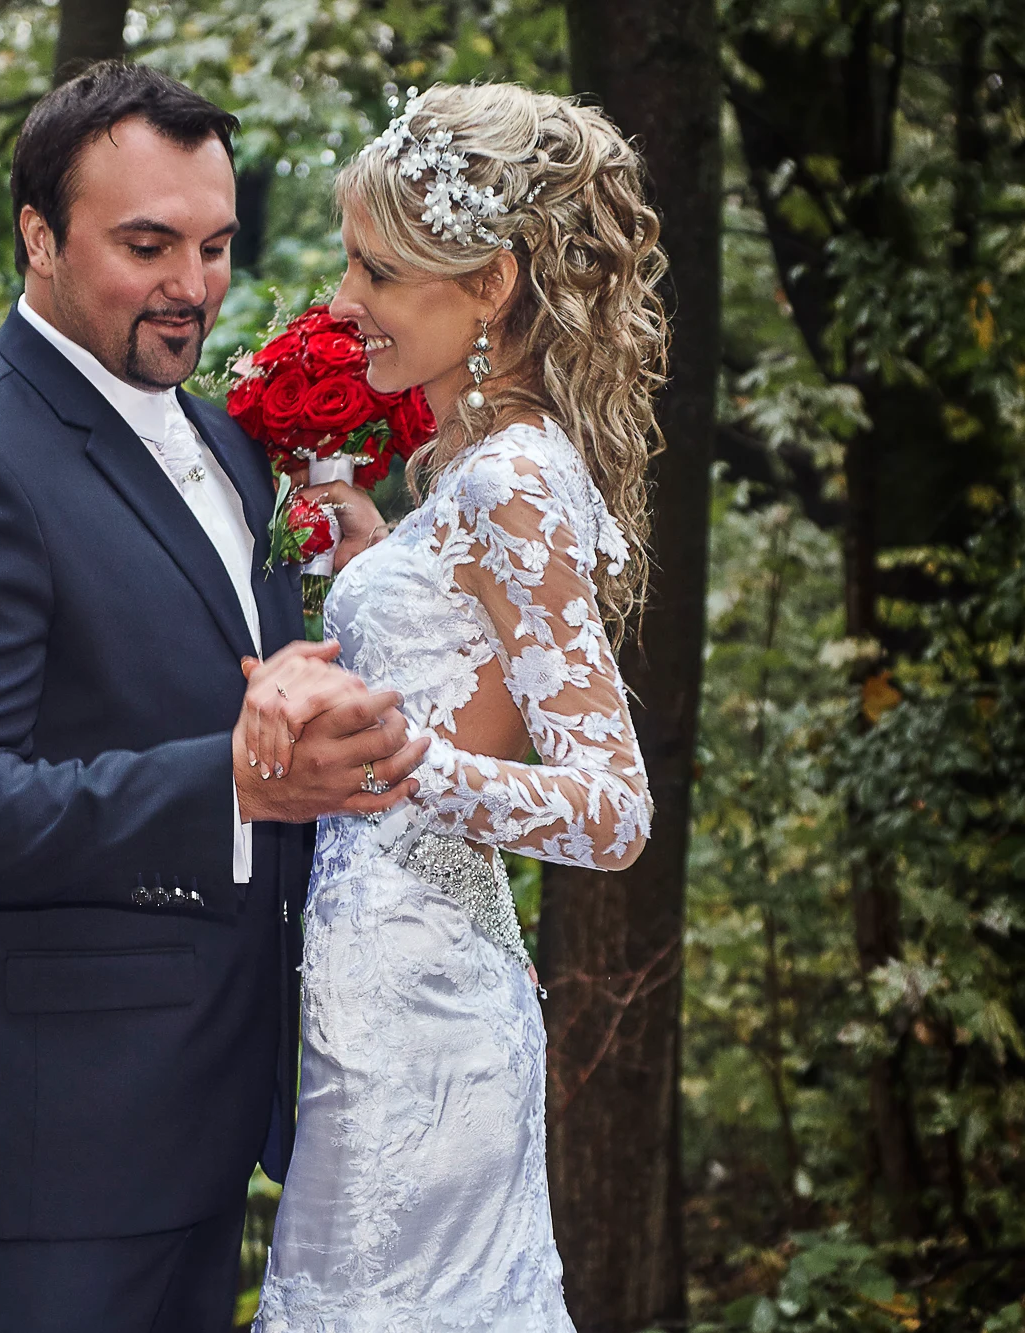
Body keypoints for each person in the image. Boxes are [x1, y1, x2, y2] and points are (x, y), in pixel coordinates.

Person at [0, 62, 424, 1333]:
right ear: (37, 237)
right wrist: (231, 777)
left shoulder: (221, 444)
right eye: (146, 244)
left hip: (201, 1126)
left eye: (214, 245)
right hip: (27, 1151)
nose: (193, 286)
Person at [251, 83, 666, 1330]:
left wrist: (386, 755)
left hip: (420, 1010)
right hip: (390, 982)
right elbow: (470, 664)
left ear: (489, 283)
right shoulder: (479, 472)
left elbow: (612, 811)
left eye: (377, 272)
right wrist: (371, 544)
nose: (341, 303)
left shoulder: (513, 479)